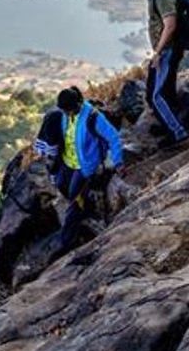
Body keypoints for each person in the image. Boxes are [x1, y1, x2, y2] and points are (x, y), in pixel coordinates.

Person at [37, 87, 124, 254]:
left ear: (78, 104)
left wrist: (118, 161)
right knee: (62, 185)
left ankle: (66, 243)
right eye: (64, 111)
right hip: (67, 163)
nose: (67, 114)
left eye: (69, 110)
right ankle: (85, 207)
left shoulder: (93, 117)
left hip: (85, 167)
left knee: (73, 201)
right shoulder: (64, 115)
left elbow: (113, 137)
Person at [129, 0, 189, 146]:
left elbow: (170, 26)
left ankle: (178, 132)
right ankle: (170, 125)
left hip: (167, 51)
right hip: (165, 51)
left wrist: (157, 52)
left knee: (157, 96)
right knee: (161, 93)